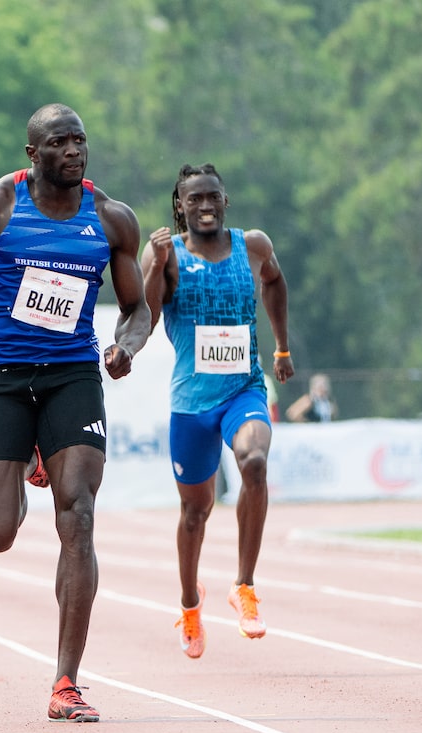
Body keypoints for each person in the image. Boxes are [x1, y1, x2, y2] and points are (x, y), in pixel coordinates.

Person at [0, 104, 150, 720]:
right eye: (59, 142)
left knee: (77, 513)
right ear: (33, 154)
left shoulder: (111, 218)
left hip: (73, 376)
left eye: (80, 140)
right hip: (2, 376)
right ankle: (28, 461)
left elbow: (137, 308)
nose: (74, 151)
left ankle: (66, 682)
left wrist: (125, 346)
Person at [140, 163, 294, 659]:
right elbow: (145, 313)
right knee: (195, 512)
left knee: (254, 462)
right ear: (179, 206)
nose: (204, 206)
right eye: (194, 199)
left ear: (225, 200)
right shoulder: (167, 253)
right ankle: (189, 604)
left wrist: (282, 350)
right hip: (190, 403)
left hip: (242, 389)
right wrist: (152, 266)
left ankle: (244, 586)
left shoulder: (253, 246)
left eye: (213, 197)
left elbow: (274, 283)